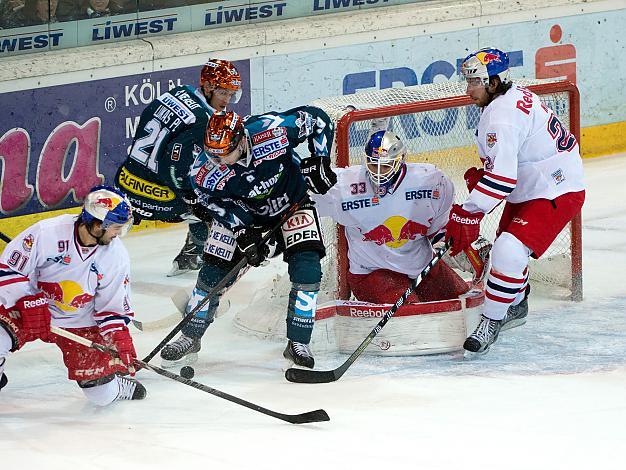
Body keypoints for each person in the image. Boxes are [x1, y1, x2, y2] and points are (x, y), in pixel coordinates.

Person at [159, 107, 337, 369]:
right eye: (213, 155)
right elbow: (210, 202)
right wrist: (242, 229)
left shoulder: (273, 131)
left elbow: (318, 120)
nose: (218, 162)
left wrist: (320, 160)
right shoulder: (204, 170)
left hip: (293, 203)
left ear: (242, 140)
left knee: (307, 269)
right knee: (212, 273)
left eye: (224, 154)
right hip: (244, 214)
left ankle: (299, 341)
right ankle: (190, 335)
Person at [445, 47, 585, 354]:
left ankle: (492, 321)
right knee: (505, 255)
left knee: (509, 250)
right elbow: (508, 170)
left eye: (475, 83)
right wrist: (487, 179)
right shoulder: (508, 98)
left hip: (555, 189)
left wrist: (468, 213)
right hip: (534, 183)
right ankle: (517, 302)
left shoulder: (501, 117)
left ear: (494, 82)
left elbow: (502, 181)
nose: (468, 91)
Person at [0, 186, 146, 404]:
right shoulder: (46, 233)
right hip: (30, 308)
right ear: (97, 225)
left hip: (81, 323)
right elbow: (8, 269)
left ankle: (115, 387)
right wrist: (27, 300)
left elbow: (111, 308)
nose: (118, 234)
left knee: (101, 397)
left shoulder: (116, 256)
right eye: (115, 227)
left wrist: (119, 338)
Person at [311, 124, 470, 304]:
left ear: (400, 160)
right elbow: (304, 202)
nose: (378, 173)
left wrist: (452, 242)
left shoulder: (430, 181)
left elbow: (439, 229)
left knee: (460, 301)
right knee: (412, 318)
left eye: (385, 166)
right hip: (371, 272)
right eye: (372, 164)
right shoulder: (344, 185)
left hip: (420, 265)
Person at [114, 59, 242, 277]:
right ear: (208, 87)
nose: (227, 101)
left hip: (125, 180)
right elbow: (172, 166)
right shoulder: (204, 120)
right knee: (209, 204)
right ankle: (193, 255)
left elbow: (144, 122)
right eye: (223, 93)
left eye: (231, 94)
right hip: (159, 198)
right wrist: (191, 199)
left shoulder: (177, 93)